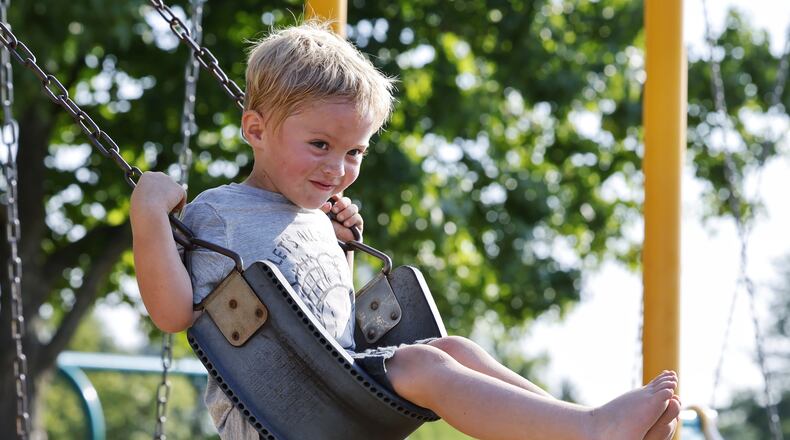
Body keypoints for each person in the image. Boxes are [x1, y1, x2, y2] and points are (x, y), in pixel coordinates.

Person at [130, 21, 680, 440]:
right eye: (320, 145)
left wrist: (340, 250)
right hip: (273, 409)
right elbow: (175, 312)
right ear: (256, 128)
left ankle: (576, 425)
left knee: (453, 348)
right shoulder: (219, 212)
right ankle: (589, 432)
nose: (337, 168)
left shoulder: (317, 216)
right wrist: (148, 215)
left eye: (355, 152)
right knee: (422, 363)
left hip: (335, 387)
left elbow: (326, 314)